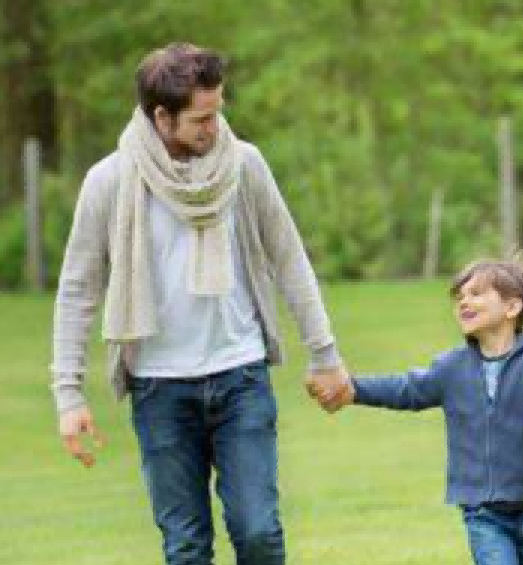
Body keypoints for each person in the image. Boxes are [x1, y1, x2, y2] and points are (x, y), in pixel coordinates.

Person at [50, 42, 351, 565]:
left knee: (258, 534)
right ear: (161, 117)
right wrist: (69, 395)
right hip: (158, 388)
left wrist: (325, 353)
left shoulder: (244, 166)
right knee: (186, 547)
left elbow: (289, 259)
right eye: (201, 119)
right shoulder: (110, 181)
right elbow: (78, 290)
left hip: (240, 377)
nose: (215, 127)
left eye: (218, 112)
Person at [312, 257, 523, 565]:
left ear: (512, 307)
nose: (463, 302)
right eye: (460, 297)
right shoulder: (451, 368)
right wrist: (352, 389)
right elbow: (405, 389)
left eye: (476, 293)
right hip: (484, 513)